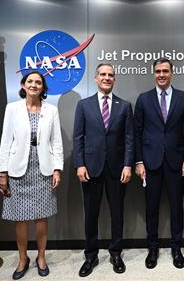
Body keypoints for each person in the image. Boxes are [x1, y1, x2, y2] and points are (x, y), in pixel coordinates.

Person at [0, 70, 63, 280]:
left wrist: (57, 169)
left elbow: (56, 142)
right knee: (21, 219)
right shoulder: (12, 109)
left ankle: (41, 257)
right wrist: (3, 173)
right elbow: (5, 142)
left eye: (38, 82)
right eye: (30, 81)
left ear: (43, 87)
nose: (34, 85)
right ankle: (23, 258)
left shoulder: (51, 110)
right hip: (18, 170)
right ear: (23, 85)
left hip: (43, 169)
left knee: (42, 218)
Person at [134, 58, 184, 269]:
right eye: (158, 71)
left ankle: (176, 248)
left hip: (176, 163)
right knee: (151, 208)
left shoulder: (183, 97)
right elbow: (137, 132)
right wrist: (139, 161)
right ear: (154, 73)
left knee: (177, 208)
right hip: (150, 163)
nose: (161, 74)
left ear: (172, 73)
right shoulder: (143, 99)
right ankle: (152, 248)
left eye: (165, 71)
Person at [73, 63, 134, 277]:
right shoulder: (84, 105)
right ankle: (91, 255)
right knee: (91, 214)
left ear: (114, 80)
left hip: (117, 169)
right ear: (96, 78)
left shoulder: (125, 106)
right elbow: (78, 137)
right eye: (103, 75)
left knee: (117, 213)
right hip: (90, 168)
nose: (107, 78)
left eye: (110, 75)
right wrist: (79, 164)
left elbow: (129, 138)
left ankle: (116, 253)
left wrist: (128, 164)